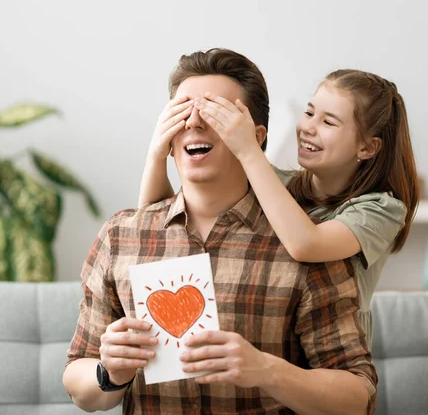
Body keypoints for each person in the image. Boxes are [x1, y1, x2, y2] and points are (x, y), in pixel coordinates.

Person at [63, 48, 377, 415]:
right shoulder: (121, 237)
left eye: (215, 112)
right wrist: (109, 372)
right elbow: (78, 382)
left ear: (255, 136)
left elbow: (358, 396)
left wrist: (267, 370)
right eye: (182, 112)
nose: (194, 123)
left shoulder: (306, 243)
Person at [139, 67, 419, 348]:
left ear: (368, 148)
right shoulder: (275, 183)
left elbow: (306, 244)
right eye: (309, 113)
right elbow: (156, 227)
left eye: (328, 122)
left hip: (331, 348)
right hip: (274, 336)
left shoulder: (381, 209)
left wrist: (248, 149)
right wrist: (156, 154)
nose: (308, 127)